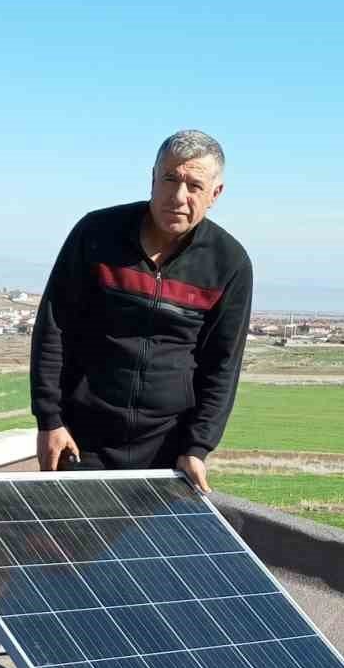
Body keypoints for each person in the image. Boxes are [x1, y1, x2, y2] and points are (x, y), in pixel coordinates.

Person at [30, 129, 253, 491]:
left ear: (216, 194)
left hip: (167, 447)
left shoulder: (229, 262)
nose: (178, 197)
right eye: (169, 179)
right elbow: (53, 329)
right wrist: (49, 420)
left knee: (147, 548)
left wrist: (197, 446)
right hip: (81, 439)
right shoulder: (96, 234)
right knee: (69, 545)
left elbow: (222, 366)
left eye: (194, 186)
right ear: (152, 178)